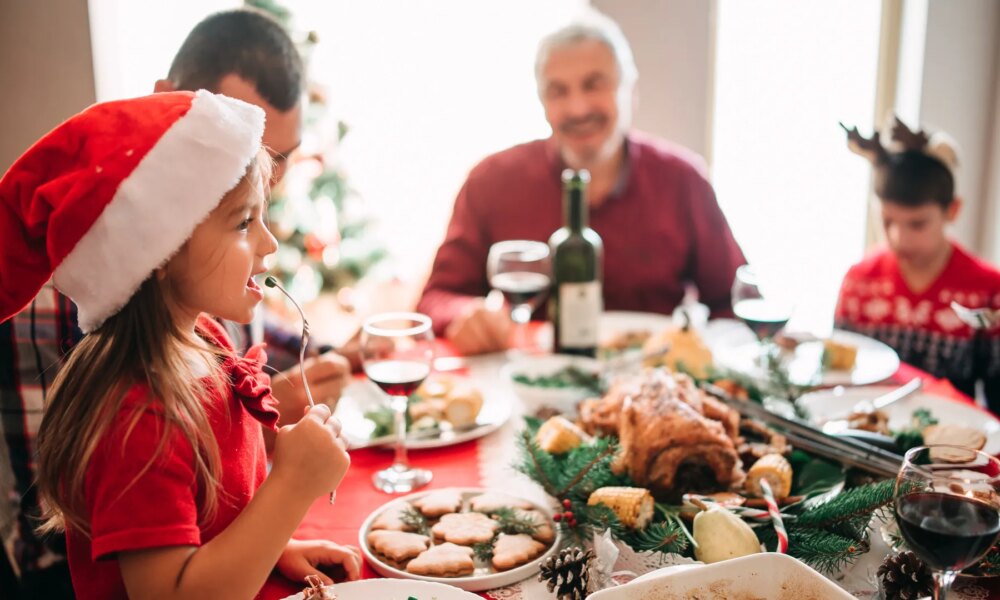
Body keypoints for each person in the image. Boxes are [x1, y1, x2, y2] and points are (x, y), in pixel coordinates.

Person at [0, 9, 351, 596]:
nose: (268, 243)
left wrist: (275, 546)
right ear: (160, 249)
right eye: (244, 222)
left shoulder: (204, 339)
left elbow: (207, 520)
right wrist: (291, 487)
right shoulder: (138, 416)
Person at [416, 9, 745, 355]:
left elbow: (734, 303)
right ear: (542, 102)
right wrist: (466, 314)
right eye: (558, 91)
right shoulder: (490, 181)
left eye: (594, 84)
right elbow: (437, 298)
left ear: (629, 91)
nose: (577, 108)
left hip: (652, 382)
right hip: (535, 384)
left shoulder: (683, 180)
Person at [836, 117, 1000, 409]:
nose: (900, 238)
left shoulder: (988, 290)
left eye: (917, 224)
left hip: (949, 443)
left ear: (953, 210)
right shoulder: (859, 281)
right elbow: (838, 375)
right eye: (887, 221)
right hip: (863, 429)